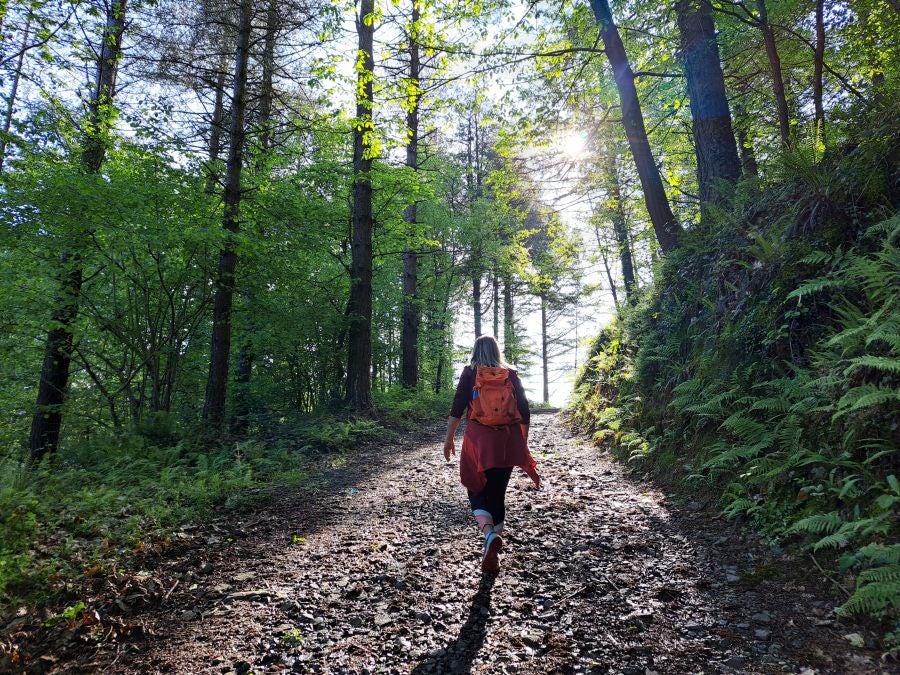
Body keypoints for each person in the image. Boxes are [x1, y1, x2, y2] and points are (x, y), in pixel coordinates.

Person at [443, 335, 540, 573]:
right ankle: (495, 541)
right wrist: (522, 443)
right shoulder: (510, 374)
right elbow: (524, 411)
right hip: (506, 440)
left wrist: (448, 440)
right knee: (498, 494)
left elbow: (457, 408)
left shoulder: (469, 372)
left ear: (476, 350)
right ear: (497, 351)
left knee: (475, 488)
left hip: (478, 440)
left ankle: (488, 536)